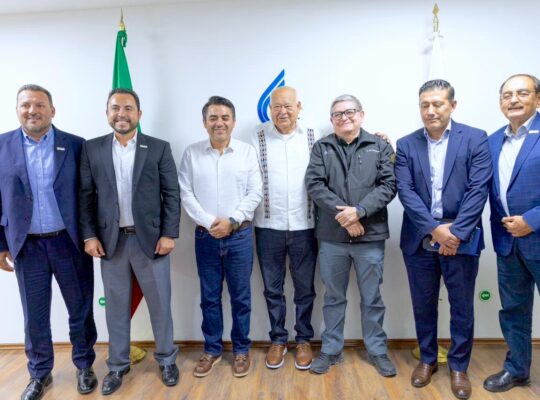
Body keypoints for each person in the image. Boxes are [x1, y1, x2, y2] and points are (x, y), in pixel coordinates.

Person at [395, 79, 492, 400]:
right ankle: (427, 359)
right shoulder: (406, 144)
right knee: (423, 304)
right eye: (425, 105)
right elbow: (406, 192)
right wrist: (435, 230)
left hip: (462, 238)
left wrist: (455, 233)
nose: (431, 110)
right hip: (419, 239)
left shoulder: (475, 138)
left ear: (452, 105)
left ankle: (459, 366)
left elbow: (478, 189)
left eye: (437, 104)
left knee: (461, 306)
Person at [79, 88, 180, 395]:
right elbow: (85, 196)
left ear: (139, 114)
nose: (121, 114)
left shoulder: (158, 147)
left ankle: (167, 359)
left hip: (151, 242)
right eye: (115, 108)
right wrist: (89, 235)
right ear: (107, 113)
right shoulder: (92, 148)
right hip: (111, 243)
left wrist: (169, 233)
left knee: (160, 305)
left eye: (127, 108)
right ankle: (118, 365)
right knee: (116, 309)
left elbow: (171, 193)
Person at [0, 84, 97, 400]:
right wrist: (1, 245)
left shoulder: (76, 145)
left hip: (69, 244)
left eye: (39, 105)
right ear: (17, 110)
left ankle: (84, 365)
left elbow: (89, 196)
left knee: (80, 310)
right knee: (35, 316)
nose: (33, 110)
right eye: (26, 105)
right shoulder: (2, 146)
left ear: (52, 110)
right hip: (27, 247)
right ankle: (39, 373)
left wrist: (90, 236)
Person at [305, 94, 396, 376]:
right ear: (331, 120)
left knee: (372, 298)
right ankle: (330, 350)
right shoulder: (322, 147)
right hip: (332, 238)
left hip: (370, 236)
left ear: (361, 115)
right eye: (338, 114)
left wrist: (360, 211)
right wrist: (346, 218)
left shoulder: (380, 146)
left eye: (350, 112)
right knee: (333, 298)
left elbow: (389, 185)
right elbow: (315, 185)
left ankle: (377, 351)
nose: (344, 117)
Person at [178, 96, 262, 378]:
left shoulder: (247, 152)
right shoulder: (191, 154)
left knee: (241, 297)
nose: (219, 123)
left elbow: (255, 192)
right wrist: (210, 222)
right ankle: (212, 349)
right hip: (206, 237)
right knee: (209, 297)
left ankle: (241, 350)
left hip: (239, 236)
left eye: (225, 117)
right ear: (204, 123)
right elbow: (185, 194)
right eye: (213, 118)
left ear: (233, 122)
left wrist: (232, 221)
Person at [251, 86, 319, 370]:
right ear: (270, 109)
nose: (282, 111)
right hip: (268, 227)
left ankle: (303, 339)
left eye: (288, 106)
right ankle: (278, 340)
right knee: (272, 289)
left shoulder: (314, 136)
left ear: (299, 107)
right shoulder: (257, 138)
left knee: (305, 288)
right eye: (277, 106)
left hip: (306, 226)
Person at [483, 73, 540, 393]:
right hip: (507, 242)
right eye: (507, 95)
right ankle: (517, 370)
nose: (514, 100)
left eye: (522, 93)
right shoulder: (493, 141)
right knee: (514, 310)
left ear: (538, 98)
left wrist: (532, 220)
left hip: (537, 235)